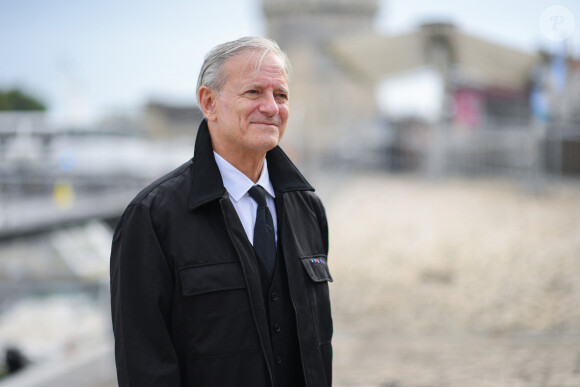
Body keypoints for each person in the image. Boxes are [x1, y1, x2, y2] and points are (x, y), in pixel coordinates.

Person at [110, 36, 333, 387]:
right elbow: (144, 365)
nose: (272, 108)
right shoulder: (152, 218)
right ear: (209, 102)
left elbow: (318, 348)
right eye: (254, 92)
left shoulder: (309, 210)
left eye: (281, 95)